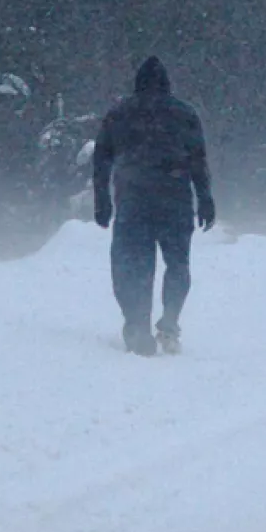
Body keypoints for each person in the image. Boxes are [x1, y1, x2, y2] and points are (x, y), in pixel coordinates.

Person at [92, 55, 216, 355]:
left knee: (132, 267)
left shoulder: (119, 114)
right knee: (177, 264)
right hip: (175, 200)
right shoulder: (184, 114)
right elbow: (198, 160)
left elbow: (101, 160)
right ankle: (169, 323)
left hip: (134, 201)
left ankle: (137, 325)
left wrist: (102, 200)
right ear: (167, 84)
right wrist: (205, 199)